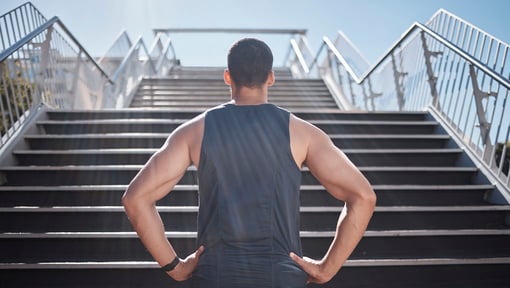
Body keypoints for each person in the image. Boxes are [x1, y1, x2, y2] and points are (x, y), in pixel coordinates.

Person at [122, 38, 376, 287]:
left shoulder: (193, 131)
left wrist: (174, 267)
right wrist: (326, 270)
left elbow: (136, 198)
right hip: (281, 277)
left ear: (228, 76)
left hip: (215, 276)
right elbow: (363, 197)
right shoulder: (303, 133)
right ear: (271, 77)